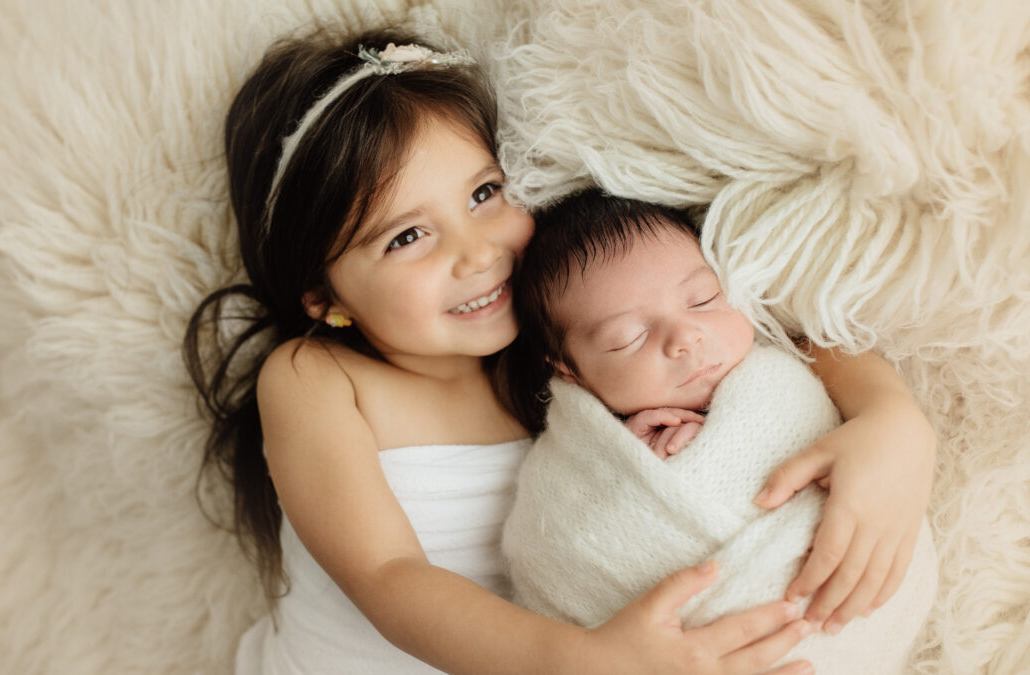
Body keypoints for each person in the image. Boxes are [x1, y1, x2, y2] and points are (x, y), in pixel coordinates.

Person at [183, 25, 935, 675]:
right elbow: (388, 574)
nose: (477, 252)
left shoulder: (560, 351)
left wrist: (893, 422)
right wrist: (584, 660)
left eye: (483, 195)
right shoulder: (316, 376)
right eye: (408, 236)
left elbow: (772, 341)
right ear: (325, 297)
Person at [499, 190, 938, 674]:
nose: (685, 336)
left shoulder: (793, 367)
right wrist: (630, 470)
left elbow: (839, 373)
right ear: (570, 371)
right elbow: (556, 561)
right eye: (629, 337)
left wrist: (892, 418)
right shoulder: (568, 473)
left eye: (703, 299)